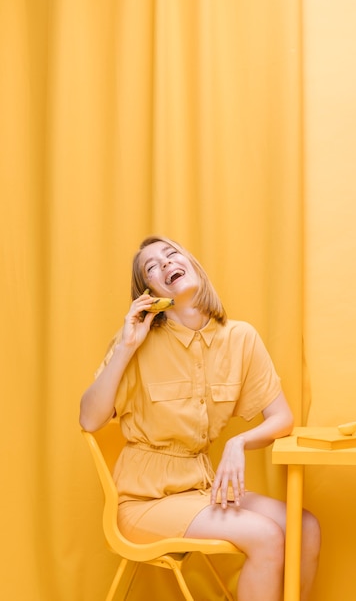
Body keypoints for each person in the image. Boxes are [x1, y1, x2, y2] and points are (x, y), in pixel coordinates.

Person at [80, 235, 320, 601]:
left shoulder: (240, 338)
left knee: (305, 527)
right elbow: (90, 420)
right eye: (152, 266)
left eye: (171, 254)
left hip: (204, 490)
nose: (165, 264)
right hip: (145, 502)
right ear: (150, 292)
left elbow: (282, 418)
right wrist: (127, 346)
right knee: (266, 535)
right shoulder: (136, 342)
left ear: (191, 264)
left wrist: (240, 442)